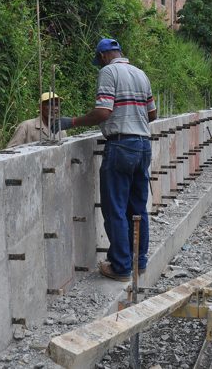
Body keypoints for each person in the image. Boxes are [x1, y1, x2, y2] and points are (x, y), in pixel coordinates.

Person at [55, 38, 156, 281]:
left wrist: (73, 122)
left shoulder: (108, 72)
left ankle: (121, 267)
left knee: (115, 209)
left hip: (121, 145)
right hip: (143, 145)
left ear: (102, 56)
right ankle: (139, 262)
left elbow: (103, 111)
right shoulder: (140, 73)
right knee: (138, 208)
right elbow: (152, 114)